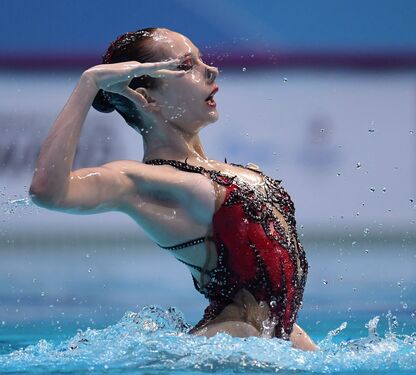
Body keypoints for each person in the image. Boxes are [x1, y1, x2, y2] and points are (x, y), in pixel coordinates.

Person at [28, 27, 316, 351]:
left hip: (272, 340)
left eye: (201, 59)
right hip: (226, 348)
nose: (211, 70)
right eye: (186, 66)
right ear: (148, 98)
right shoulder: (141, 182)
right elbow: (47, 191)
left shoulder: (215, 172)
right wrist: (89, 83)